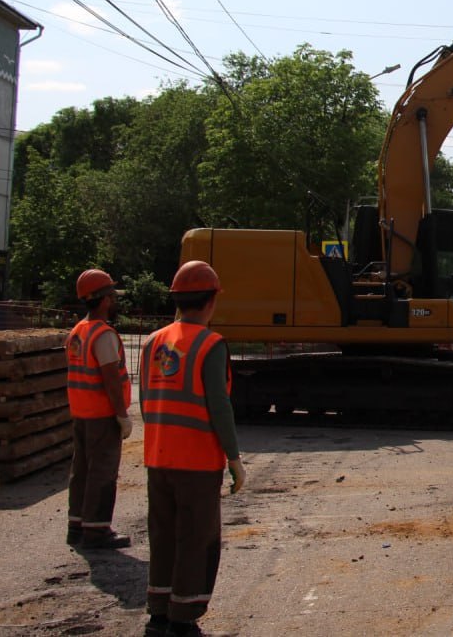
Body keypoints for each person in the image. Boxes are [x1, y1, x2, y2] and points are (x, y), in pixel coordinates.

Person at [139, 261, 247, 637]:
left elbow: (145, 400)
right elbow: (219, 406)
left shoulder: (152, 342)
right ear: (211, 301)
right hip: (197, 462)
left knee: (163, 535)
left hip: (158, 457)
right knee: (196, 538)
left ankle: (158, 614)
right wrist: (234, 459)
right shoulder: (210, 344)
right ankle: (183, 619)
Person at [65, 268, 133, 550]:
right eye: (112, 296)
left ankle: (77, 526)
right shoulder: (103, 335)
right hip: (102, 415)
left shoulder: (78, 331)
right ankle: (97, 531)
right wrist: (122, 415)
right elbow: (111, 380)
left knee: (81, 471)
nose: (114, 301)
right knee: (102, 473)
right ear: (104, 300)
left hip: (81, 413)